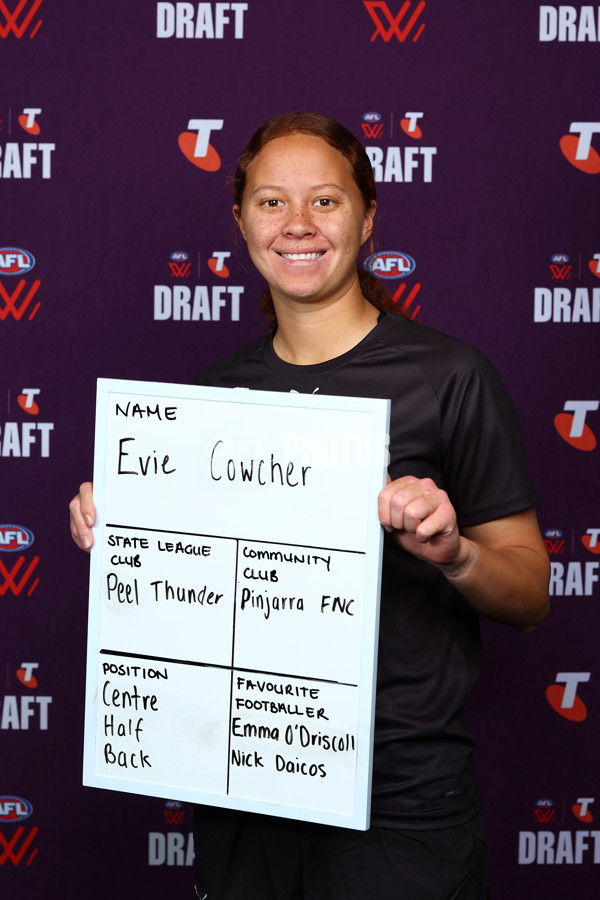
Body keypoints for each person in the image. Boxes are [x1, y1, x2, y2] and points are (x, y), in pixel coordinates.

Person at [70, 112, 550, 899]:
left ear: (368, 218)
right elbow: (193, 597)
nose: (297, 225)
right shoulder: (213, 397)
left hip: (397, 807)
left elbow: (531, 594)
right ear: (241, 221)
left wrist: (455, 553)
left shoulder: (450, 377)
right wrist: (123, 531)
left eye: (325, 201)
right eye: (271, 203)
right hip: (240, 787)